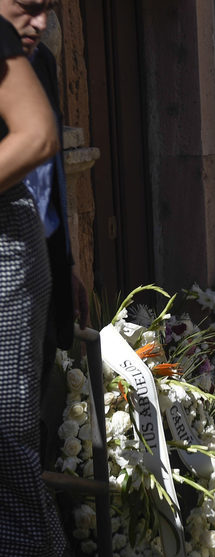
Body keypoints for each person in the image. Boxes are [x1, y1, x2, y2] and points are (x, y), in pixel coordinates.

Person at [0, 9, 64, 557]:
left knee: (3, 424)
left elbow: (37, 135)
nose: (41, 19)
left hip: (2, 241)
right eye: (29, 1)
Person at [0, 0, 87, 383]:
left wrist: (62, 261)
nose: (40, 23)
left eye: (48, 9)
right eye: (28, 6)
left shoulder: (42, 63)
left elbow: (48, 178)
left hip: (38, 271)